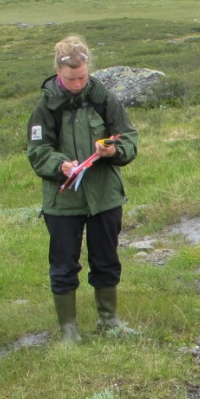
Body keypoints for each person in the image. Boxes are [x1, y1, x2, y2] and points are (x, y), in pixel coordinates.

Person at [26, 35, 138, 342]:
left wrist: (114, 151)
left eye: (82, 77)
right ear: (58, 72)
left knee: (106, 259)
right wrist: (60, 165)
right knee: (63, 265)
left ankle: (109, 321)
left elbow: (128, 137)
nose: (77, 84)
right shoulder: (45, 107)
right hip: (62, 204)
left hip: (104, 198)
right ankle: (69, 331)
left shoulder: (103, 98)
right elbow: (37, 152)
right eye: (71, 79)